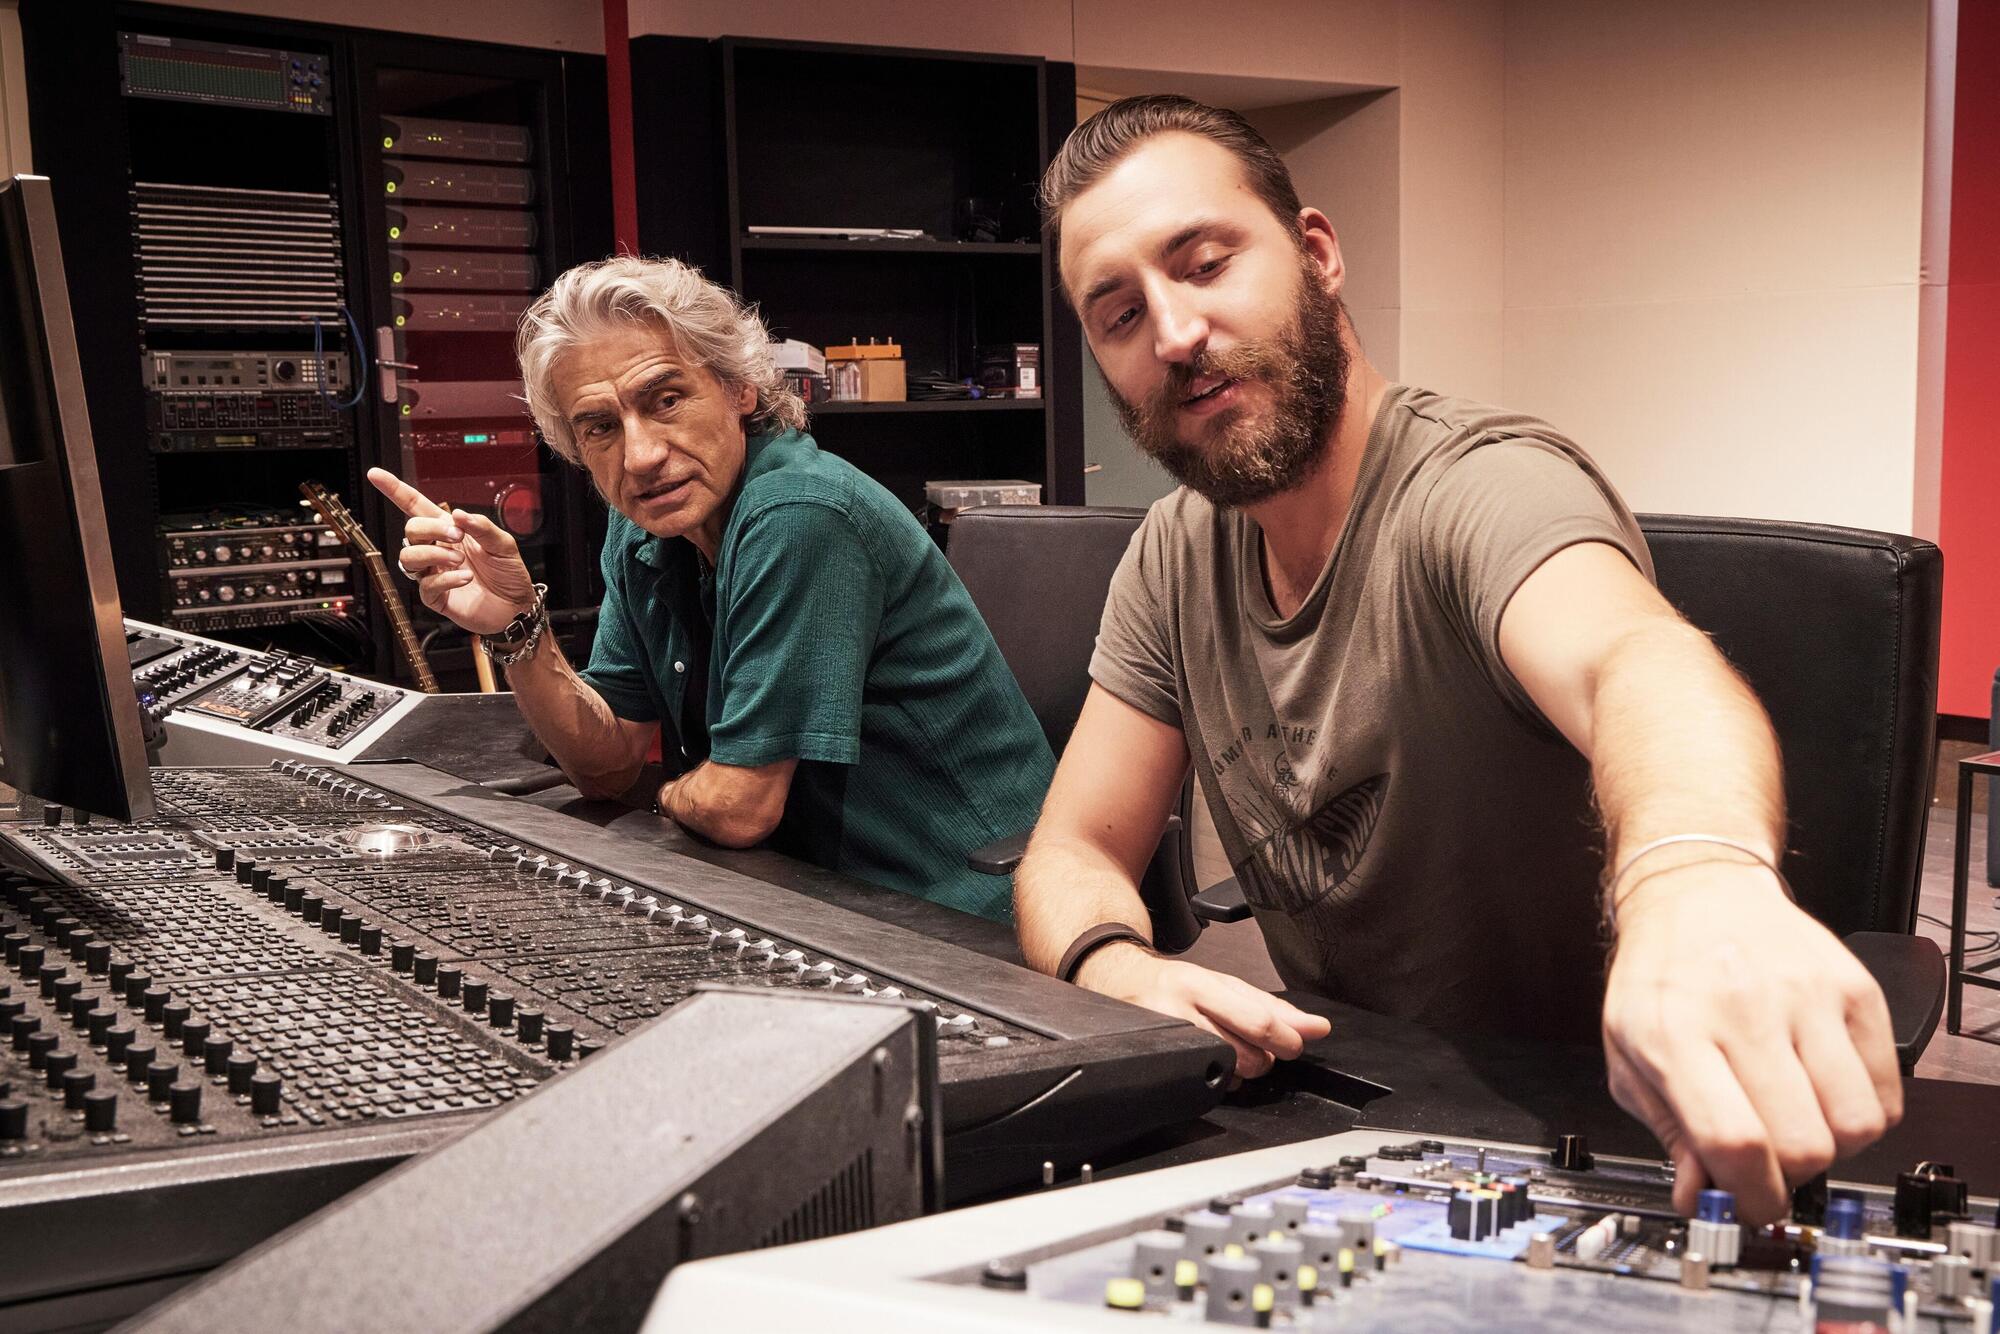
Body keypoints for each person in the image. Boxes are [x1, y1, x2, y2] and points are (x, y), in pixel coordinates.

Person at [1014, 95, 1901, 1224]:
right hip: (1355, 1120)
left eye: (1205, 262)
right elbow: (1071, 849)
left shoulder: (1477, 486)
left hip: (1624, 1140)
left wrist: (1692, 876)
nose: (1175, 333)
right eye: (1119, 312)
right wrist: (1114, 969)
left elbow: (1638, 661)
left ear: (1317, 255)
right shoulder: (1173, 552)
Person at [370, 256, 1054, 921]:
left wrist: (663, 797)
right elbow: (606, 766)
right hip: (813, 896)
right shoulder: (644, 526)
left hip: (967, 915)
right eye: (601, 427)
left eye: (666, 400)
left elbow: (739, 808)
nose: (640, 456)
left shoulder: (799, 513)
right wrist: (516, 625)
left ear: (739, 388)